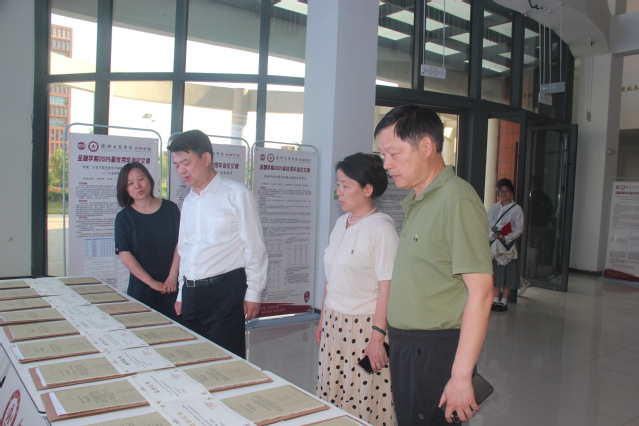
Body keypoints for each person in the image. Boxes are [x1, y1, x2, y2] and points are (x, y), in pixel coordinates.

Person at [375, 104, 493, 425]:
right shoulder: (420, 199)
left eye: (393, 154)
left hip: (434, 351)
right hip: (409, 347)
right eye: (383, 155)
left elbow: (481, 293)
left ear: (426, 146)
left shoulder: (456, 200)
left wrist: (461, 377)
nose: (386, 164)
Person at [167, 130, 267, 358]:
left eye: (186, 163)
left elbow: (254, 247)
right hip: (192, 293)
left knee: (226, 361)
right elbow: (185, 249)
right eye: (177, 165)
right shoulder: (189, 201)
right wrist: (182, 293)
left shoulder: (237, 195)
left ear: (206, 158)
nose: (181, 170)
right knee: (195, 358)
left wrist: (253, 292)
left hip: (224, 291)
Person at [315, 153, 398, 426]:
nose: (338, 191)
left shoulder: (381, 229)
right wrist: (323, 318)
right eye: (338, 184)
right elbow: (331, 277)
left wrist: (377, 338)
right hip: (334, 321)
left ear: (367, 189)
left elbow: (387, 287)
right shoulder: (342, 223)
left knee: (362, 394)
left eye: (345, 185)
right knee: (334, 388)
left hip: (364, 327)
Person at [114, 162, 181, 322]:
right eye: (130, 183)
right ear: (125, 189)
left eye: (141, 179)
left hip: (173, 286)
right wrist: (152, 283)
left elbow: (181, 244)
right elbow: (125, 255)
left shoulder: (170, 209)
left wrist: (172, 276)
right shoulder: (124, 218)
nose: (137, 186)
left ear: (149, 179)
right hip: (142, 288)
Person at [488, 178, 524, 312]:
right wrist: (493, 234)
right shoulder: (494, 207)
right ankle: (495, 299)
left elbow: (519, 228)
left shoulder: (516, 209)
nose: (503, 194)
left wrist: (506, 237)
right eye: (501, 191)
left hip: (508, 244)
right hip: (494, 243)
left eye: (506, 191)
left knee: (509, 271)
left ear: (511, 192)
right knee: (495, 271)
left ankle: (504, 301)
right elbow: (487, 223)